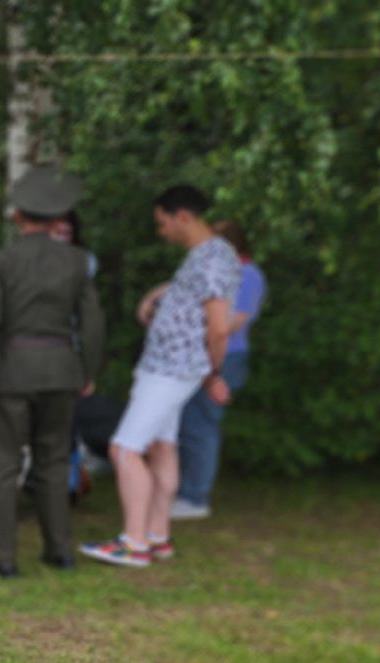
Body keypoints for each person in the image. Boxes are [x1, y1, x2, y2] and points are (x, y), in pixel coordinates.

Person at [0, 165, 105, 577]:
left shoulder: (1, 262)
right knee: (55, 461)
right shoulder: (77, 262)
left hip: (12, 373)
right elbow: (92, 324)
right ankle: (60, 550)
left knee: (4, 464)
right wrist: (88, 369)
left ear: (19, 216)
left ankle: (3, 558)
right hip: (61, 370)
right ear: (58, 219)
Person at [81, 185, 237, 567]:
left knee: (124, 448)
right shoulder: (206, 255)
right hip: (170, 367)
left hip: (172, 370)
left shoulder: (213, 258)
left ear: (182, 216)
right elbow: (192, 295)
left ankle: (132, 543)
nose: (160, 230)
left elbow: (218, 327)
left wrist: (212, 372)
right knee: (161, 447)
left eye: (162, 222)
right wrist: (155, 297)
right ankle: (157, 535)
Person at [170, 219, 264, 519]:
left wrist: (191, 330)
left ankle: (195, 498)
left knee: (201, 424)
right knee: (190, 423)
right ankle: (187, 491)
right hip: (205, 354)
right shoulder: (221, 273)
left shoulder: (247, 274)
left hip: (225, 358)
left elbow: (232, 322)